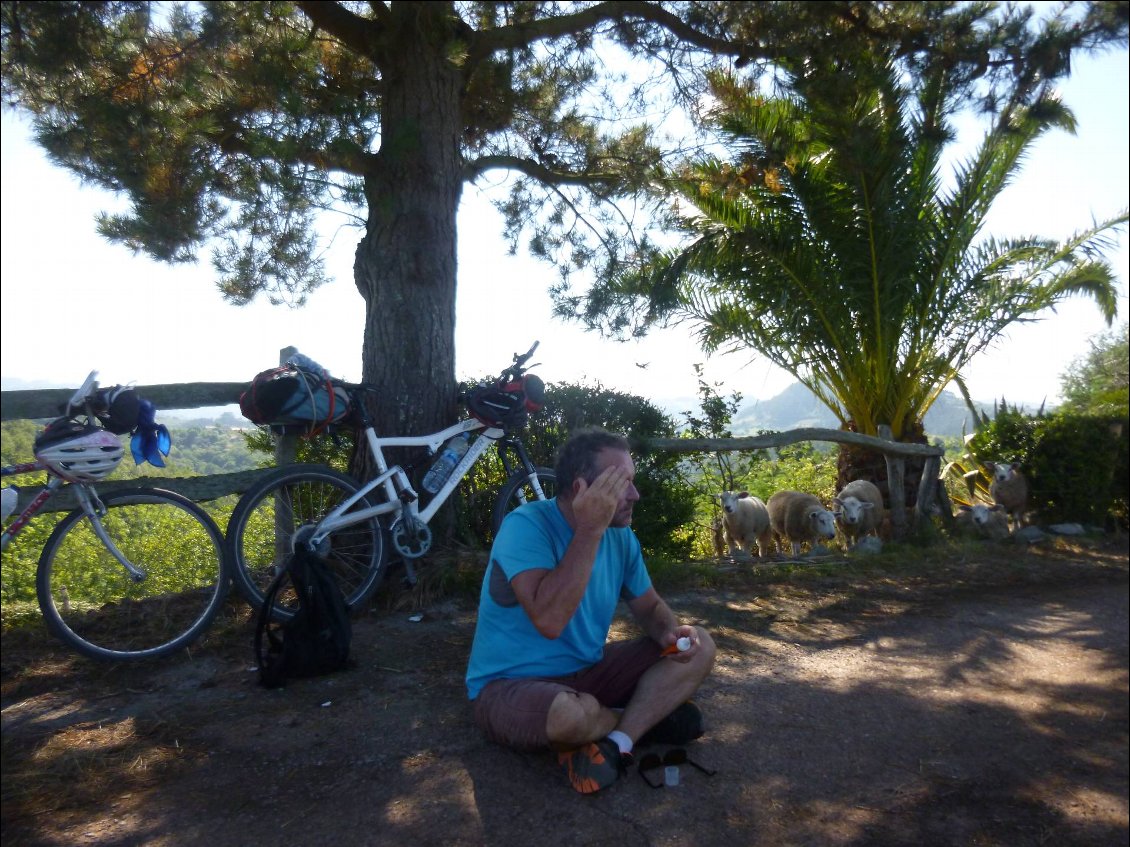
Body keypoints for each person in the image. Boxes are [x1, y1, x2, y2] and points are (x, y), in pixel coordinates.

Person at [465, 427, 716, 794]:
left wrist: (667, 633)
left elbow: (649, 606)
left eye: (632, 481)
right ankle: (644, 719)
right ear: (583, 490)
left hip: (590, 673)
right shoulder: (526, 526)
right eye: (620, 484)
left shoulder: (622, 537)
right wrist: (589, 529)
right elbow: (549, 621)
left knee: (702, 645)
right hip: (510, 686)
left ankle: (618, 742)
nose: (635, 494)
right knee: (569, 716)